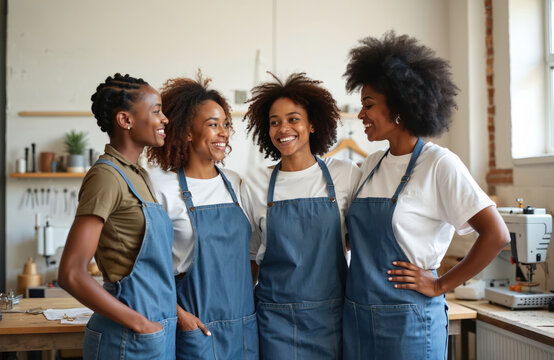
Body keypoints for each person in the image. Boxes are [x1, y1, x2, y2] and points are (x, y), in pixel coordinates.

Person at [341, 31, 511, 360]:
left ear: (400, 106)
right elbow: (355, 238)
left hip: (409, 322)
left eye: (369, 105)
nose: (361, 115)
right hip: (359, 319)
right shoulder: (371, 164)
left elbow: (496, 234)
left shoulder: (439, 164)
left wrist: (439, 285)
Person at [242, 72, 361, 360]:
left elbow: (356, 239)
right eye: (274, 122)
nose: (283, 128)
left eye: (293, 119)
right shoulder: (255, 183)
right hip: (273, 320)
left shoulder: (345, 175)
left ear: (312, 124)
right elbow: (251, 258)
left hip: (331, 318)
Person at [58, 73, 176, 360]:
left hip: (156, 331)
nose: (165, 119)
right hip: (128, 337)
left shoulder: (140, 176)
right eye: (156, 110)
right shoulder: (106, 176)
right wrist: (140, 324)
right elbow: (71, 273)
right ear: (126, 120)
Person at [146, 74, 258, 360]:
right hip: (194, 325)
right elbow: (147, 269)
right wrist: (180, 315)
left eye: (225, 125)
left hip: (243, 325)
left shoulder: (236, 183)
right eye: (212, 125)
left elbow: (251, 254)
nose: (223, 133)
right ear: (186, 131)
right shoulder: (160, 186)